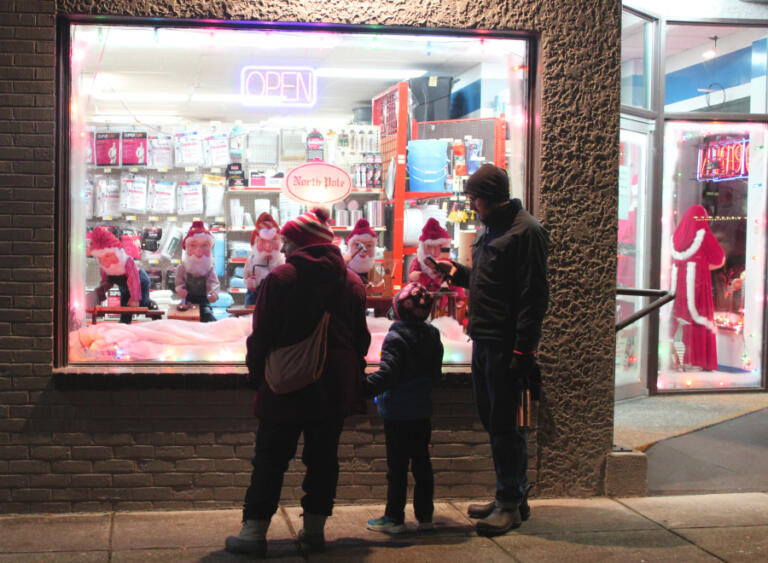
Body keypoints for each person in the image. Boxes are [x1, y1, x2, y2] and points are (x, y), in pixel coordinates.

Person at [226, 207, 371, 557]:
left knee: (270, 458)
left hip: (285, 386)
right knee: (323, 459)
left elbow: (262, 336)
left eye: (289, 241)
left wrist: (256, 372)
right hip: (333, 388)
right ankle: (314, 532)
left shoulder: (282, 279)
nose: (285, 247)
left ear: (302, 242)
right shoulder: (352, 282)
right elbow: (361, 340)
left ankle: (253, 533)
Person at [436, 164, 549, 536]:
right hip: (484, 340)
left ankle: (509, 502)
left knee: (506, 425)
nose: (472, 205)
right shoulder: (492, 230)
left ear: (490, 197)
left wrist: (523, 352)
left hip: (506, 346)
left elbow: (533, 297)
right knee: (495, 423)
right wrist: (458, 275)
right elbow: (490, 284)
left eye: (474, 198)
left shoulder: (526, 232)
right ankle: (512, 495)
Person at [364, 282, 443, 534]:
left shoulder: (396, 337)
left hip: (397, 413)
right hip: (422, 410)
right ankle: (425, 515)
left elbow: (388, 374)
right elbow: (436, 373)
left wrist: (362, 388)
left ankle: (394, 517)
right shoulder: (432, 335)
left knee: (397, 468)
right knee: (422, 463)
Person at [669, 204, 725, 370]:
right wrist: (702, 265)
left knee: (681, 319)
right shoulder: (703, 235)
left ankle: (679, 361)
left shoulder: (676, 237)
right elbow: (719, 258)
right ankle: (697, 362)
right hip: (697, 283)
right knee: (697, 317)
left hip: (679, 286)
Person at [89, 225, 155, 324]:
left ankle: (153, 308)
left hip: (140, 281)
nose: (104, 261)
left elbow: (134, 280)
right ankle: (124, 326)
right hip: (124, 287)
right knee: (124, 309)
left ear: (116, 253)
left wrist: (134, 298)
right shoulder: (105, 269)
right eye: (100, 258)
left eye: (107, 256)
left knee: (143, 304)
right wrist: (97, 296)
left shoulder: (126, 262)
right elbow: (106, 283)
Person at [174, 221, 220, 322]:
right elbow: (179, 282)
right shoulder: (182, 268)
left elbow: (214, 283)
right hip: (187, 302)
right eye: (193, 246)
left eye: (204, 246)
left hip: (203, 303)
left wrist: (214, 293)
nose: (198, 251)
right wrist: (180, 289)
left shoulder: (209, 269)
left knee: (207, 317)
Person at [244, 212, 284, 306]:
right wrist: (249, 281)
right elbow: (246, 276)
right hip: (254, 297)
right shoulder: (251, 261)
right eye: (262, 241)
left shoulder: (281, 260)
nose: (268, 247)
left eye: (273, 241)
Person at [343, 217, 377, 285]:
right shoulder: (344, 266)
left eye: (369, 246)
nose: (363, 251)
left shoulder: (372, 268)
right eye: (358, 245)